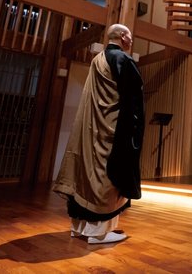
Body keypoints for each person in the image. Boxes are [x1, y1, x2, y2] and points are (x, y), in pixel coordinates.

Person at [53, 23, 145, 244]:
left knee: (85, 172)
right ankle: (98, 232)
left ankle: (80, 227)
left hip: (92, 126)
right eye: (130, 35)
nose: (131, 39)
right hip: (111, 130)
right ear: (123, 37)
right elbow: (132, 101)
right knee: (105, 178)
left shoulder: (98, 59)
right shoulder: (122, 60)